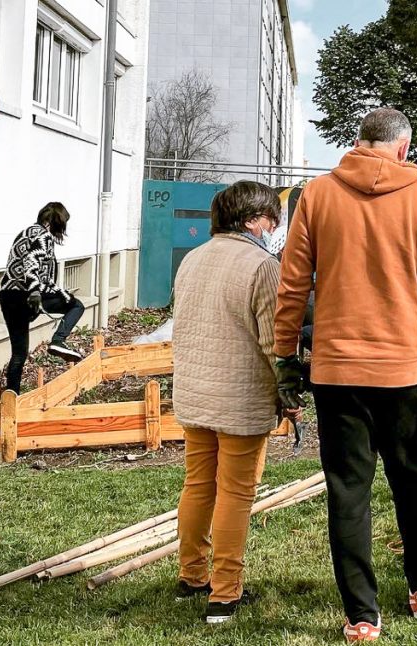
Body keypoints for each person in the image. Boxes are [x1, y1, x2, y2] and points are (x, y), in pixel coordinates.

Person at [273, 107, 417, 642]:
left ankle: (362, 616)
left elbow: (292, 284)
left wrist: (285, 355)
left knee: (349, 489)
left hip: (335, 371)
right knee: (410, 474)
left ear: (358, 144)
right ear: (403, 149)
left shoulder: (316, 195)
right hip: (402, 370)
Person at [171, 180, 291, 625]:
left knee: (199, 485)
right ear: (251, 220)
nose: (273, 227)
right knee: (236, 493)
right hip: (240, 398)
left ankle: (192, 574)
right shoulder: (262, 266)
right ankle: (225, 592)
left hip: (195, 392)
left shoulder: (193, 260)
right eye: (270, 219)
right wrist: (289, 391)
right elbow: (274, 342)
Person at [0, 202, 86, 394]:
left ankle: (12, 399)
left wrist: (56, 291)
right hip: (28, 295)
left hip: (8, 297)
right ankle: (58, 341)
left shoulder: (26, 232)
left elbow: (32, 266)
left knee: (19, 353)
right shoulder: (43, 235)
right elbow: (31, 263)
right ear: (55, 222)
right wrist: (35, 292)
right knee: (76, 306)